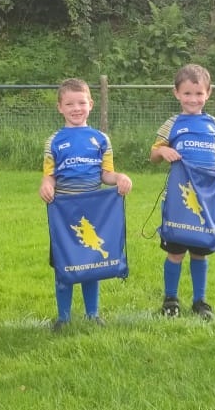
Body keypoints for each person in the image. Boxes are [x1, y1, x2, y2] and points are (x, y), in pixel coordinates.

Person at [39, 78, 133, 331]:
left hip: (93, 211)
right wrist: (46, 185)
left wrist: (120, 178)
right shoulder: (54, 141)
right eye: (69, 104)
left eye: (81, 103)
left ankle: (93, 314)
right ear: (60, 107)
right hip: (64, 213)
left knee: (91, 262)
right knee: (64, 263)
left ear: (91, 104)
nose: (76, 108)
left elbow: (106, 174)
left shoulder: (100, 139)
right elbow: (50, 175)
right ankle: (63, 318)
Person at [150, 64, 215, 321]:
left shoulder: (212, 124)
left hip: (205, 198)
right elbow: (153, 155)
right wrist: (162, 151)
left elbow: (214, 155)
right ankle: (170, 299)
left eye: (199, 93)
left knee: (200, 250)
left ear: (208, 93)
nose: (193, 99)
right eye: (187, 93)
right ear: (176, 93)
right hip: (179, 198)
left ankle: (200, 301)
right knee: (176, 251)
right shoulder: (172, 124)